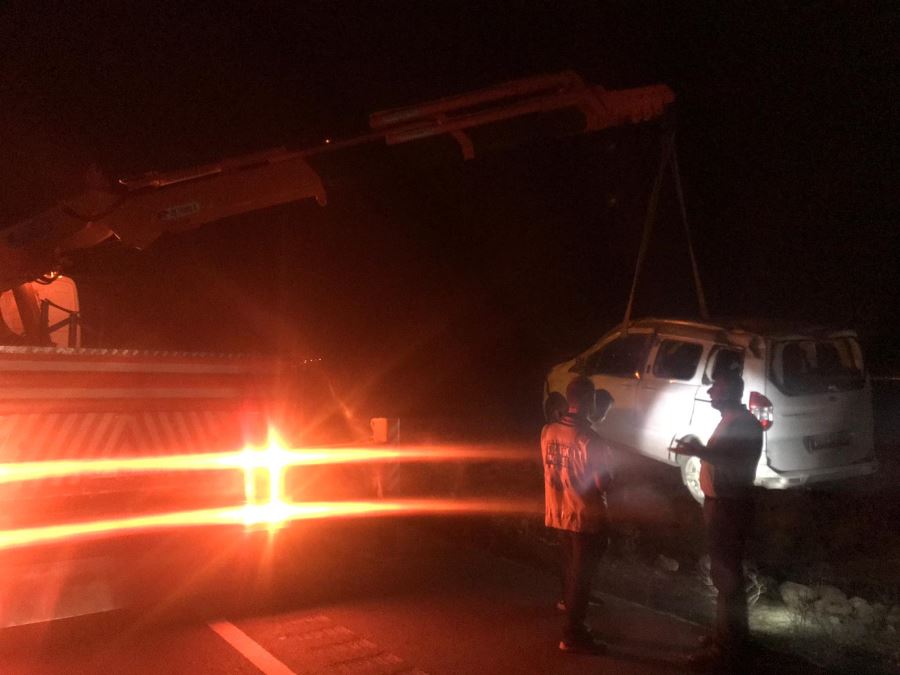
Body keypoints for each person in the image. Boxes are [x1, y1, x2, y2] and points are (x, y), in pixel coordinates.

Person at [674, 372, 763, 669]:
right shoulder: (731, 420)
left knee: (726, 576)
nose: (711, 392)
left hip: (729, 506)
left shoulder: (743, 423)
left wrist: (698, 450)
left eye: (717, 387)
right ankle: (729, 637)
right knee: (724, 574)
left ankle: (726, 650)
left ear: (732, 391)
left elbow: (733, 461)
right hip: (722, 504)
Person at [541, 376, 613, 654]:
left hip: (558, 512)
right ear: (588, 400)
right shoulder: (590, 439)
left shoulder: (548, 431)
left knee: (571, 569)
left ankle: (569, 611)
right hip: (585, 516)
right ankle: (573, 634)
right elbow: (602, 483)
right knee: (582, 577)